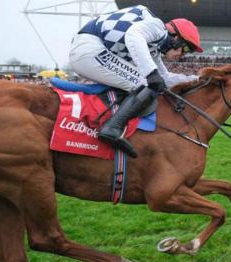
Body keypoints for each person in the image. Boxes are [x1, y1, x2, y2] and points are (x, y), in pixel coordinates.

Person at [69, 5, 203, 158]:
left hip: (91, 49)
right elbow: (133, 35)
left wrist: (198, 79)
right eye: (185, 49)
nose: (182, 55)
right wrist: (150, 73)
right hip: (89, 48)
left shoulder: (153, 46)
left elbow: (165, 78)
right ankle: (112, 129)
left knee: (151, 81)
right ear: (176, 38)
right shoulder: (158, 28)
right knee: (146, 83)